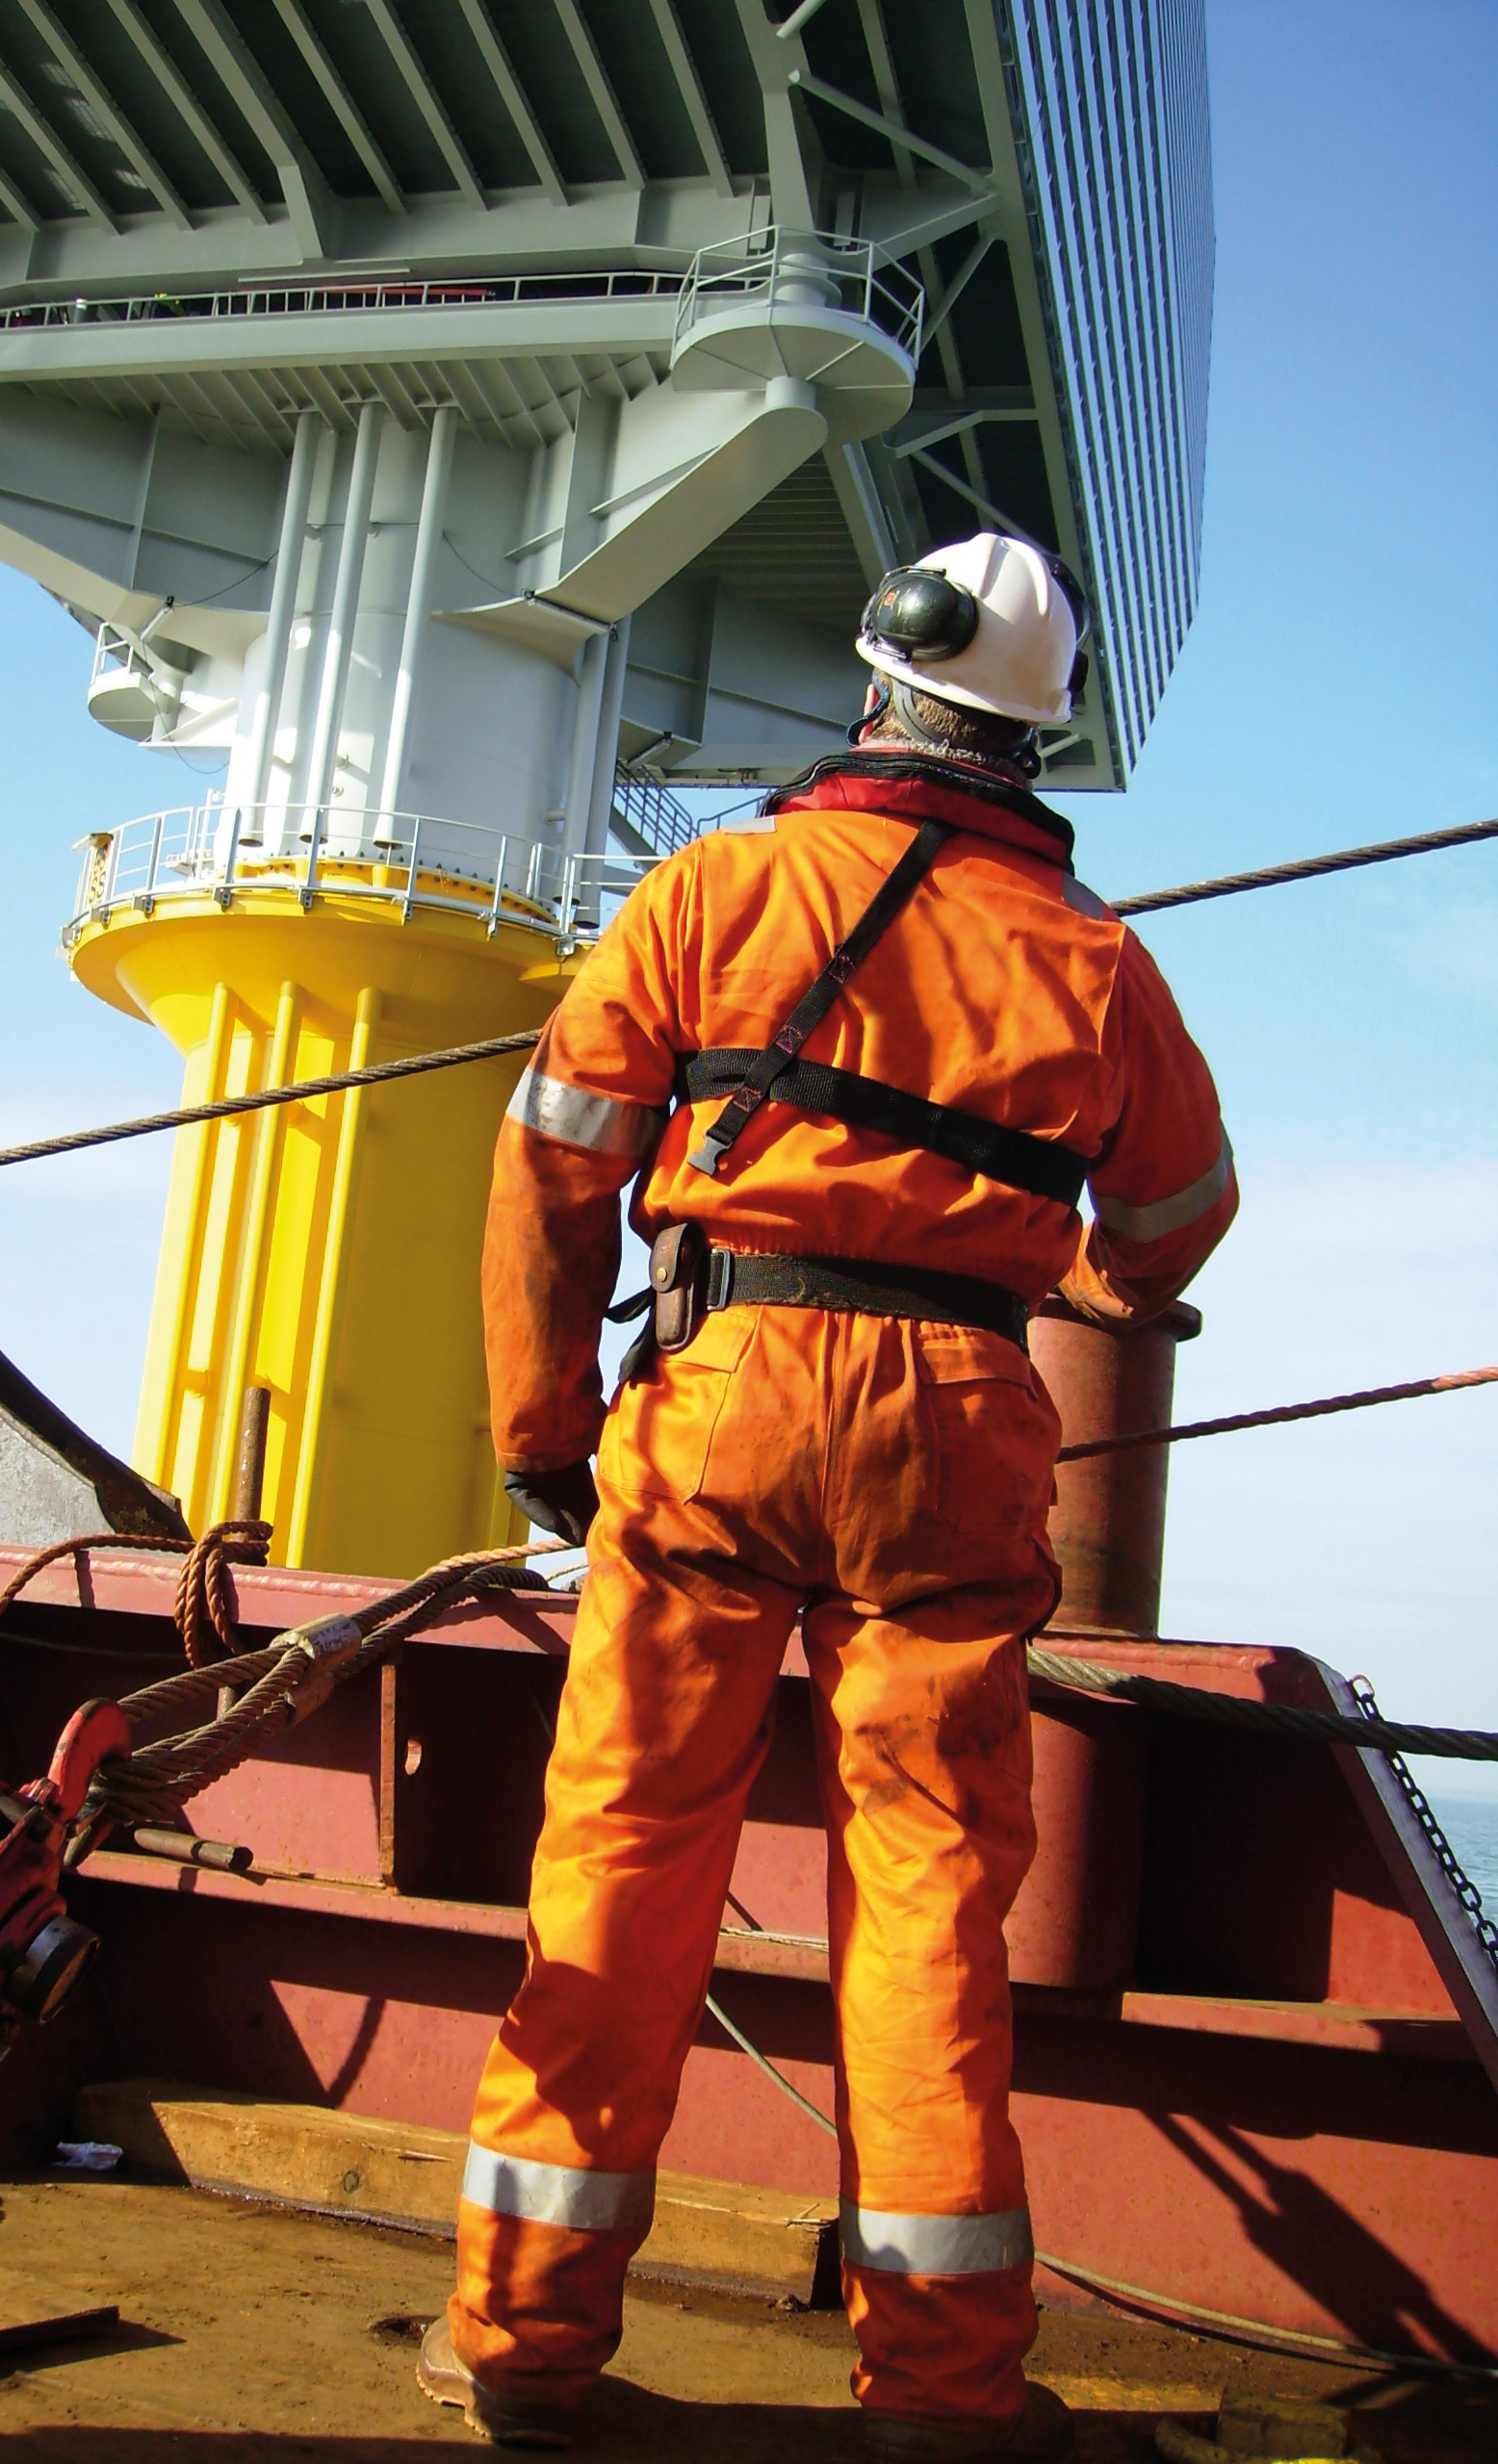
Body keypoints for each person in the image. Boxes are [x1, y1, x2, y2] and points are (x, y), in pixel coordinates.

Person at [418, 533, 1236, 2455]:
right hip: (959, 1427)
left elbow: (552, 1167)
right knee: (931, 1909)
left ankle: (529, 2349)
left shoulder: (712, 888)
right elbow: (1181, 1218)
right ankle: (945, 2392)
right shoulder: (1102, 960)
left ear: (875, 692)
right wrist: (1093, 1282)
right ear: (1033, 740)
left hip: (718, 1408)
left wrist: (546, 1428)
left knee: (619, 1874)